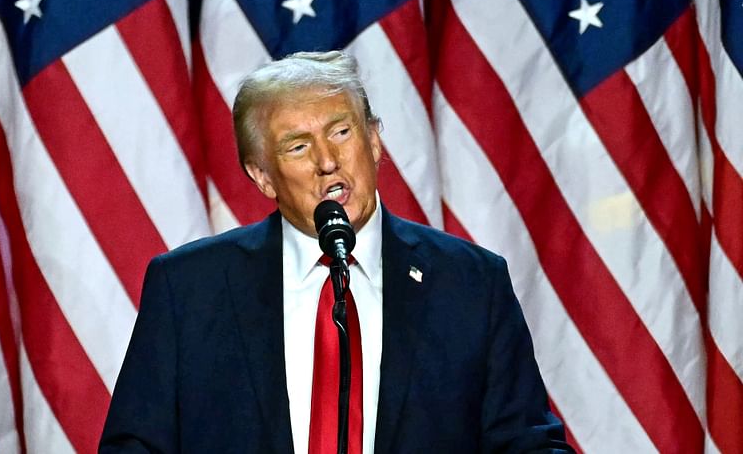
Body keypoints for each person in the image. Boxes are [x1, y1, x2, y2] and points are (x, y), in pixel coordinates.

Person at [100, 51, 573, 453]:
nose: (327, 161)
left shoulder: (469, 283)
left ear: (373, 141)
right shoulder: (189, 288)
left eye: (341, 132)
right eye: (298, 146)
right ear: (262, 176)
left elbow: (528, 443)